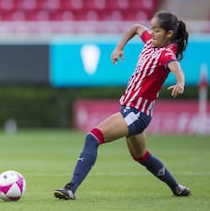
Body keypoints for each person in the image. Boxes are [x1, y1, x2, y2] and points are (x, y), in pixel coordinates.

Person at [54, 11, 191, 200]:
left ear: (169, 34)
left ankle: (71, 188)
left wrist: (180, 83)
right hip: (133, 111)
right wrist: (119, 48)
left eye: (156, 30)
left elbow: (177, 68)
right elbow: (135, 28)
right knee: (141, 156)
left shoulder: (165, 53)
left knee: (93, 137)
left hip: (136, 112)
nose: (151, 33)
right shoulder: (151, 43)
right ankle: (177, 187)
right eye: (151, 28)